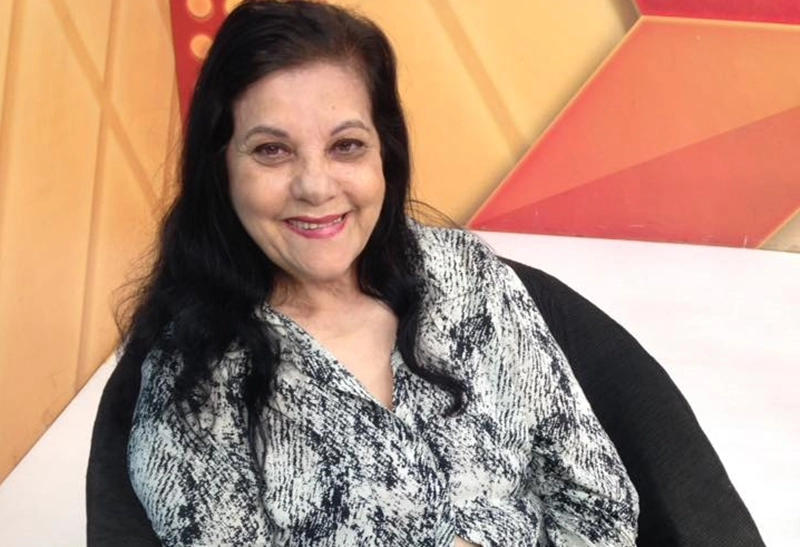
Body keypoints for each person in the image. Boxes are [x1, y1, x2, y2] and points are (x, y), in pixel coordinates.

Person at [123, 1, 639, 545]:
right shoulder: (194, 376)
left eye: (346, 146)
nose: (315, 186)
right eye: (272, 150)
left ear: (384, 157)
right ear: (221, 167)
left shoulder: (467, 276)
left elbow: (597, 505)